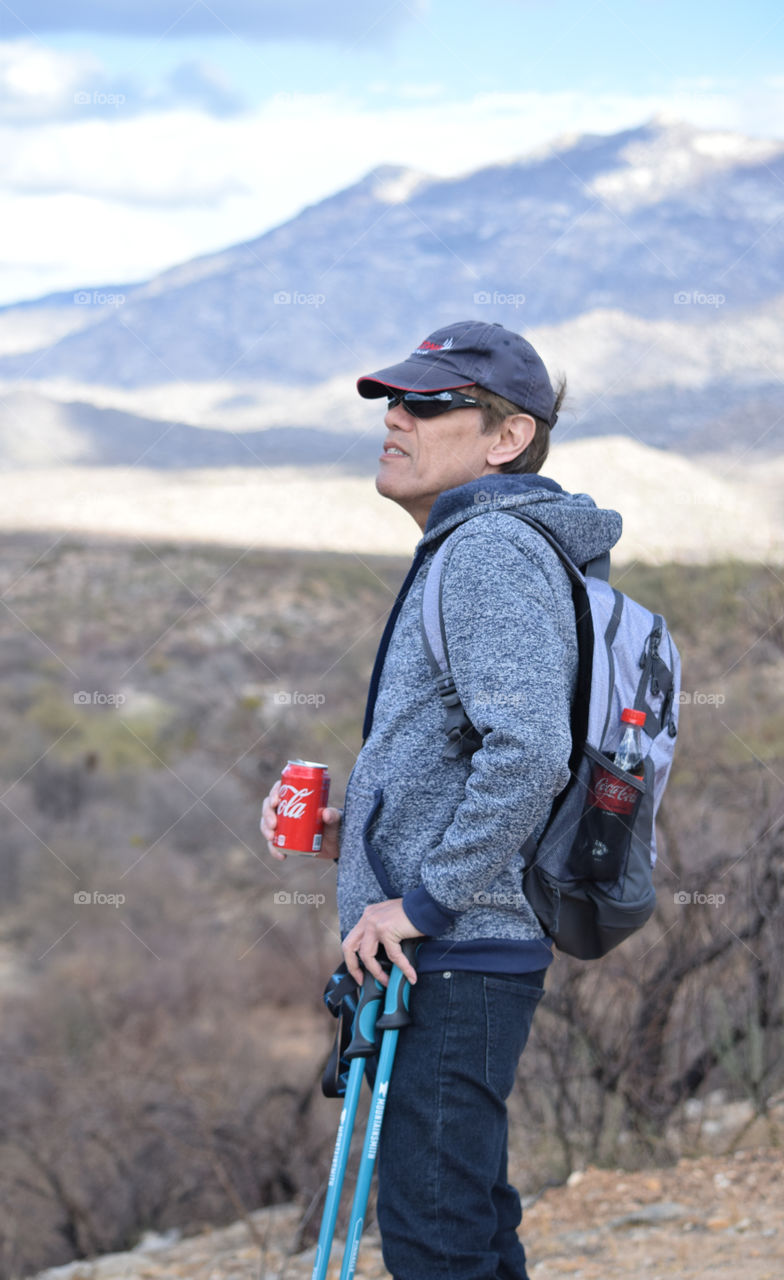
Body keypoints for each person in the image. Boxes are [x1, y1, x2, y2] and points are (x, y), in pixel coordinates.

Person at [260, 320, 622, 1280]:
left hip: (452, 956)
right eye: (391, 400)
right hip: (458, 952)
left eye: (429, 403)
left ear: (506, 439)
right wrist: (360, 838)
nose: (396, 419)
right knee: (463, 1220)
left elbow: (531, 750)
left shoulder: (488, 550)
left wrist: (420, 903)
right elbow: (483, 757)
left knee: (434, 1236)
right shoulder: (481, 547)